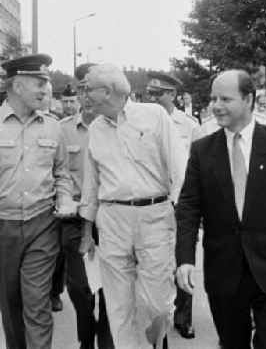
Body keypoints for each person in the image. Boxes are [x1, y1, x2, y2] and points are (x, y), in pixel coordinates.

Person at [175, 69, 266, 349]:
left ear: (249, 99)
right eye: (214, 98)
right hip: (224, 273)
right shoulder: (202, 150)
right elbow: (189, 208)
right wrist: (185, 258)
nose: (216, 106)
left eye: (225, 99)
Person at [0, 54, 76, 349]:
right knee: (11, 308)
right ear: (17, 85)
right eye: (39, 83)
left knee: (37, 305)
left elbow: (62, 174)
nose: (46, 90)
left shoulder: (53, 127)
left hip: (42, 226)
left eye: (46, 83)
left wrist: (65, 198)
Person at [78, 64, 187, 348]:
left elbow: (179, 168)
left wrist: (181, 217)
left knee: (159, 303)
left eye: (88, 88)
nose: (83, 93)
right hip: (112, 218)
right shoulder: (96, 129)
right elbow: (91, 185)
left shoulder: (154, 116)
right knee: (117, 305)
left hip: (155, 215)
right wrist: (86, 231)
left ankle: (154, 341)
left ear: (108, 91)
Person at [59, 62, 115, 349]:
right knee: (80, 289)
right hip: (75, 219)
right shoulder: (63, 130)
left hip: (111, 219)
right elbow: (59, 175)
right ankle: (86, 336)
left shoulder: (117, 127)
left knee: (110, 288)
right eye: (81, 89)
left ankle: (105, 340)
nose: (85, 95)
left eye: (89, 89)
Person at [145, 71, 203, 340]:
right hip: (150, 201)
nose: (152, 98)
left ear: (172, 95)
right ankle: (157, 316)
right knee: (153, 262)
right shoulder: (140, 122)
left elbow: (199, 166)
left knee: (183, 258)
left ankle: (184, 316)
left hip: (181, 202)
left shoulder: (188, 125)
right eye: (150, 93)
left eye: (158, 93)